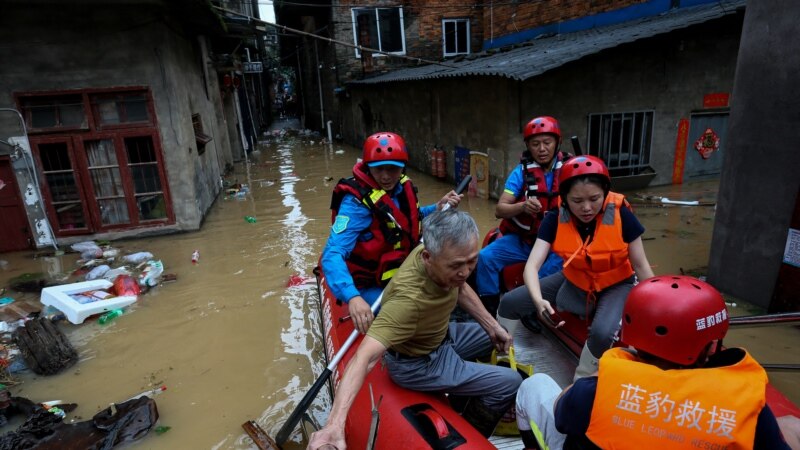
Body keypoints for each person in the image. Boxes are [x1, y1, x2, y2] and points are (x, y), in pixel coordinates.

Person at [308, 210, 522, 450]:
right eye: (457, 265)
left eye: (472, 261)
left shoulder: (437, 257)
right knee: (510, 381)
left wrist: (492, 326)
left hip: (440, 334)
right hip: (419, 363)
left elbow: (459, 287)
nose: (465, 272)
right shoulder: (407, 301)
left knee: (496, 333)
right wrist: (334, 425)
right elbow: (364, 358)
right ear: (428, 258)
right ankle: (470, 428)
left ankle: (464, 388)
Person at [514, 275, 794, 450]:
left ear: (630, 338)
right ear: (710, 347)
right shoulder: (750, 413)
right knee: (793, 427)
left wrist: (600, 380)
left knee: (534, 385)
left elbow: (563, 413)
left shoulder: (595, 392)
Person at [497, 155, 655, 380]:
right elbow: (531, 266)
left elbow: (640, 265)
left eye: (594, 198)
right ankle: (503, 359)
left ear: (606, 193)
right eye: (577, 201)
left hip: (617, 283)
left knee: (601, 333)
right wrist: (538, 300)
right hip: (575, 278)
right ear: (564, 198)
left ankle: (580, 379)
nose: (587, 208)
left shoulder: (621, 214)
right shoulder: (554, 218)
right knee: (510, 302)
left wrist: (655, 305)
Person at [321, 132, 462, 334]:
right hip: (370, 284)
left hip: (403, 270)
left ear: (402, 167)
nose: (386, 176)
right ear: (368, 167)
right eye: (379, 169)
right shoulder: (355, 204)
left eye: (393, 169)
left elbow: (408, 220)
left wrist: (437, 207)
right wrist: (352, 297)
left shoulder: (402, 187)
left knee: (451, 283)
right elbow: (332, 253)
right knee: (407, 314)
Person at [473, 116, 566, 320]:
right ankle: (490, 309)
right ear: (528, 147)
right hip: (524, 240)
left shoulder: (569, 170)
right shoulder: (520, 173)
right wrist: (522, 206)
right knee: (486, 258)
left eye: (547, 142)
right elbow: (500, 209)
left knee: (551, 270)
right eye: (535, 144)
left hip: (557, 243)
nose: (541, 148)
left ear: (557, 143)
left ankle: (532, 309)